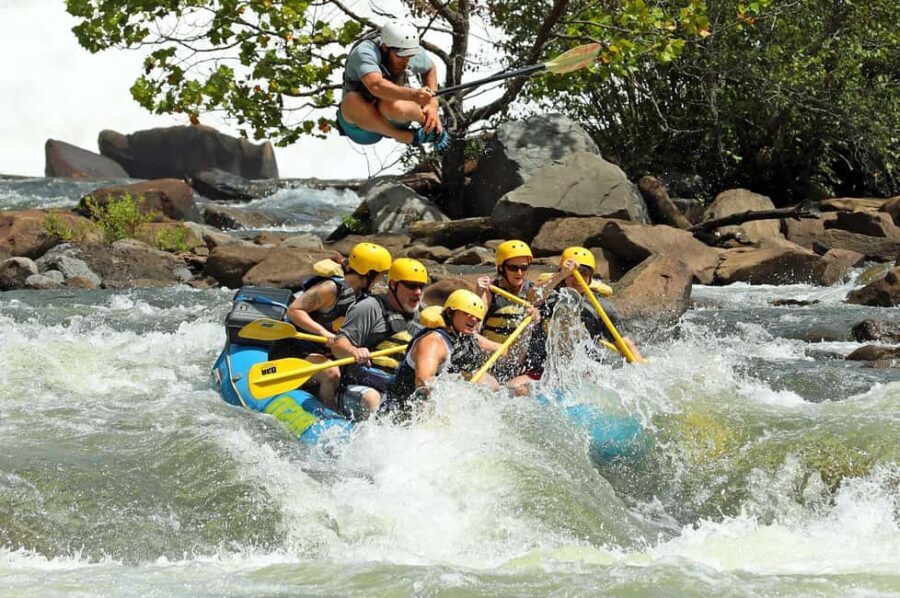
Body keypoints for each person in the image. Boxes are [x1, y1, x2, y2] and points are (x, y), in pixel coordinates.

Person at [269, 242, 393, 405]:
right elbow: (294, 311)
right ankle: (328, 413)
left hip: (326, 353)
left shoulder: (362, 295)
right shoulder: (331, 289)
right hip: (295, 350)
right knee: (331, 373)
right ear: (369, 273)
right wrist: (323, 333)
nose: (381, 279)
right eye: (381, 275)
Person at [330, 257, 428, 419]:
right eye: (411, 286)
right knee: (372, 399)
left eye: (421, 286)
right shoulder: (369, 307)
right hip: (359, 387)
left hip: (395, 389)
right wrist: (354, 350)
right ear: (394, 285)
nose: (417, 292)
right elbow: (338, 345)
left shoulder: (424, 316)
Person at [337, 19, 449, 152]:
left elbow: (430, 69)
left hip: (393, 116)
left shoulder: (412, 51)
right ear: (385, 47)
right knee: (351, 100)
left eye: (409, 55)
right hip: (361, 127)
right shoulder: (364, 53)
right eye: (400, 56)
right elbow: (376, 86)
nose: (405, 61)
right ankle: (408, 137)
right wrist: (413, 95)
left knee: (393, 104)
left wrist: (432, 106)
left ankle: (431, 127)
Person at [386, 289, 505, 410]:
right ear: (450, 313)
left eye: (477, 317)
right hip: (400, 411)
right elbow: (423, 383)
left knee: (490, 383)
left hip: (433, 404)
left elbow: (503, 351)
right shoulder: (433, 342)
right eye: (467, 313)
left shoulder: (465, 336)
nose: (474, 320)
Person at [535, 246, 644, 366]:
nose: (578, 279)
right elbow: (533, 298)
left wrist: (641, 367)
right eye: (572, 274)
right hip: (547, 363)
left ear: (590, 277)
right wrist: (560, 275)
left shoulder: (600, 306)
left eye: (584, 274)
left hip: (587, 367)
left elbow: (625, 344)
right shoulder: (550, 296)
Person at [475, 240, 547, 392]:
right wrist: (478, 294)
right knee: (485, 388)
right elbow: (474, 329)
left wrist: (536, 319)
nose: (519, 273)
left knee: (519, 390)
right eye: (513, 268)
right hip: (491, 360)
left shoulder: (533, 292)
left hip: (522, 366)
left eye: (523, 268)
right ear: (501, 268)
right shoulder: (490, 291)